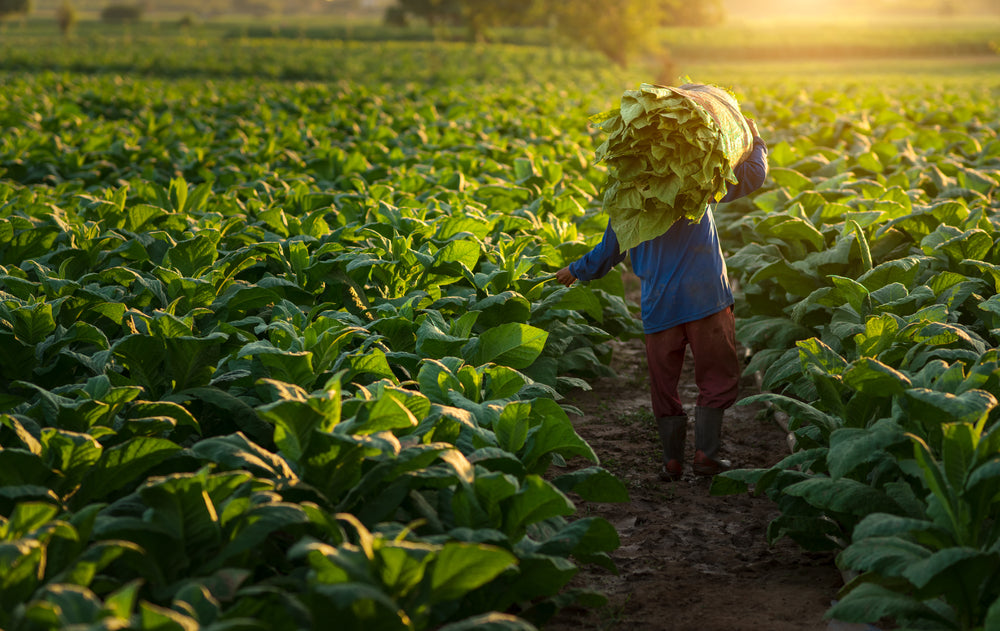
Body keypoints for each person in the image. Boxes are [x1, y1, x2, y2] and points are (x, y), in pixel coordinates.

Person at [556, 116, 768, 482]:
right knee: (716, 375)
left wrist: (575, 270)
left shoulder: (628, 196)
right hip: (706, 298)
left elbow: (610, 250)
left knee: (664, 384)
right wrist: (755, 138)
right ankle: (706, 454)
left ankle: (672, 461)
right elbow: (751, 177)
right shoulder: (697, 179)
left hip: (659, 302)